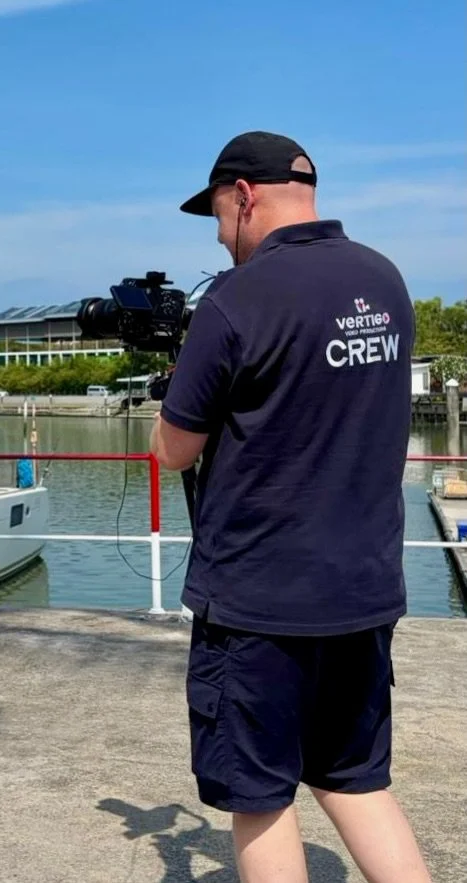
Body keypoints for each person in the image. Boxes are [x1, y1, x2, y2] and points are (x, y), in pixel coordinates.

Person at [150, 131, 431, 883]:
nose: (219, 237)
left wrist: (169, 397)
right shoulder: (385, 280)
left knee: (261, 798)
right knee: (356, 780)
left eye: (216, 216)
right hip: (362, 592)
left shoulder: (235, 299)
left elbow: (174, 450)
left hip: (258, 603)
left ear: (243, 195)